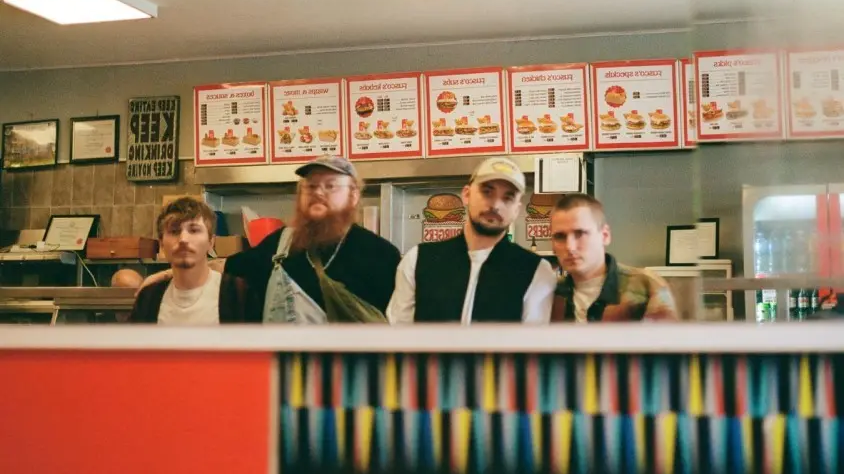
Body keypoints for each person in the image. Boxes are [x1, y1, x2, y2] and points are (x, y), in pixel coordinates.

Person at [138, 155, 401, 323]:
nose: (319, 192)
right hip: (284, 387)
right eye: (310, 186)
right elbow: (222, 267)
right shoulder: (279, 246)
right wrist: (164, 276)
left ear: (353, 196)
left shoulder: (381, 255)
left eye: (331, 186)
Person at [387, 157, 558, 324]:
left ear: (517, 210)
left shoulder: (536, 271)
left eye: (508, 197)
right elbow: (398, 336)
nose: (496, 205)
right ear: (467, 194)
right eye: (487, 192)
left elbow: (531, 346)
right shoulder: (418, 259)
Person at [549, 193, 679, 322]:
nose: (570, 247)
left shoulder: (645, 286)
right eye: (560, 237)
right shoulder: (549, 294)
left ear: (605, 236)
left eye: (580, 234)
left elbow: (666, 341)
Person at [129, 197, 248, 324]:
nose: (183, 239)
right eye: (174, 231)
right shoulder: (149, 298)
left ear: (211, 242)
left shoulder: (238, 294)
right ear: (161, 244)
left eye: (194, 230)